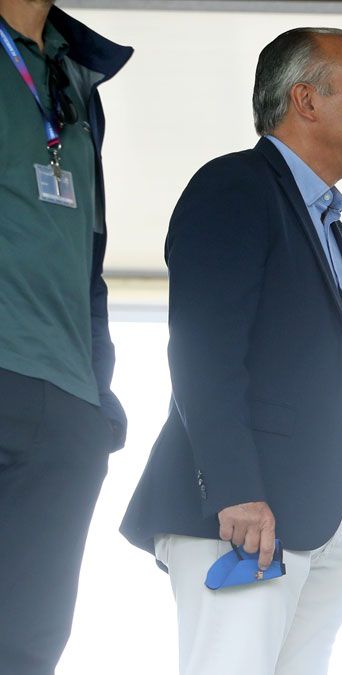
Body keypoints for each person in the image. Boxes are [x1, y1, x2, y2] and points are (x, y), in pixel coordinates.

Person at [119, 27, 342, 675]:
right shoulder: (236, 186)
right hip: (246, 510)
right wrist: (236, 487)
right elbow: (204, 347)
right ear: (306, 99)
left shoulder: (332, 230)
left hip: (320, 511)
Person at [0, 1, 130, 673]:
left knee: (28, 648)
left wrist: (96, 398)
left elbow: (89, 254)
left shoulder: (70, 68)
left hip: (65, 403)